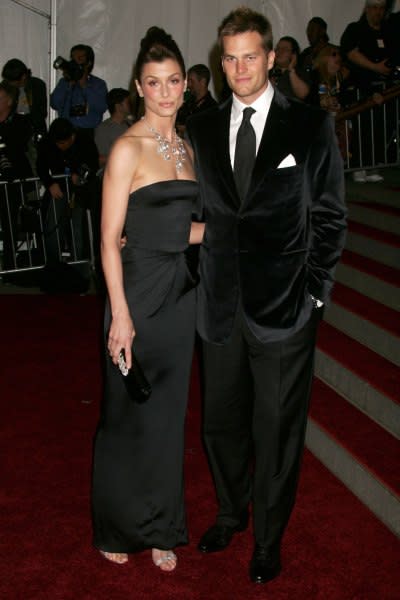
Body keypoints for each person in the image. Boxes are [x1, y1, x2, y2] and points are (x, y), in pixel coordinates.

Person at [186, 7, 347, 585]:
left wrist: (316, 296)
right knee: (220, 424)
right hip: (221, 304)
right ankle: (231, 513)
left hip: (285, 308)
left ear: (271, 58)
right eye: (228, 58)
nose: (238, 68)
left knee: (276, 430)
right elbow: (196, 211)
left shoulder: (308, 126)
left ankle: (268, 539)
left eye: (249, 56)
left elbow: (329, 217)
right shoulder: (201, 128)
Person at [91, 27, 204, 571]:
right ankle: (117, 524)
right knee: (124, 413)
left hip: (180, 295)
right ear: (139, 86)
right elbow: (110, 240)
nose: (165, 92)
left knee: (167, 416)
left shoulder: (187, 148)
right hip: (134, 294)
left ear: (185, 85)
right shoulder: (126, 148)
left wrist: (242, 225)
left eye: (174, 81)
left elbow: (186, 230)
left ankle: (163, 527)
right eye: (154, 83)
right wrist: (120, 315)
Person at [36, 118, 99, 264]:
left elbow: (93, 163)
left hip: (80, 191)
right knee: (53, 226)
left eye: (63, 143)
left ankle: (79, 264)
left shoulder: (84, 140)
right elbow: (41, 165)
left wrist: (80, 174)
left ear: (72, 137)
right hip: (59, 189)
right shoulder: (48, 142)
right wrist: (50, 183)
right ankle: (54, 264)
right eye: (57, 143)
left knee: (78, 228)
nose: (60, 147)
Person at [0, 80, 33, 274]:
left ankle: (11, 266)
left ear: (9, 101)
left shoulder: (20, 123)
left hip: (11, 182)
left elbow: (17, 149)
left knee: (10, 221)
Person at [50, 44, 107, 137]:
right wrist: (67, 84)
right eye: (73, 58)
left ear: (89, 63)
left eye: (80, 58)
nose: (75, 62)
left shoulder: (98, 84)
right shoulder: (64, 83)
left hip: (88, 133)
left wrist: (84, 85)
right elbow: (54, 104)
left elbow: (102, 106)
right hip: (66, 133)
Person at [340, 0, 393, 90]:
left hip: (389, 86)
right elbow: (350, 52)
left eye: (381, 8)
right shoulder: (354, 29)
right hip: (362, 87)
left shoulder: (389, 31)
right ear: (367, 9)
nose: (378, 12)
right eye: (375, 7)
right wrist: (375, 67)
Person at [94, 87, 131, 170]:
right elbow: (101, 159)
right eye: (127, 102)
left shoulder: (131, 125)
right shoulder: (103, 129)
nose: (130, 105)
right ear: (118, 106)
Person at [176, 64, 217, 135]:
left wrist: (186, 131)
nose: (188, 85)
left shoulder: (212, 109)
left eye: (191, 81)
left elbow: (209, 136)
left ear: (202, 82)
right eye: (188, 81)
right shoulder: (187, 102)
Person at [270, 36, 310, 100]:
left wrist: (291, 70)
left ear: (293, 55)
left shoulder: (299, 72)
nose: (279, 51)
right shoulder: (268, 71)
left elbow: (303, 94)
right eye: (277, 48)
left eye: (284, 49)